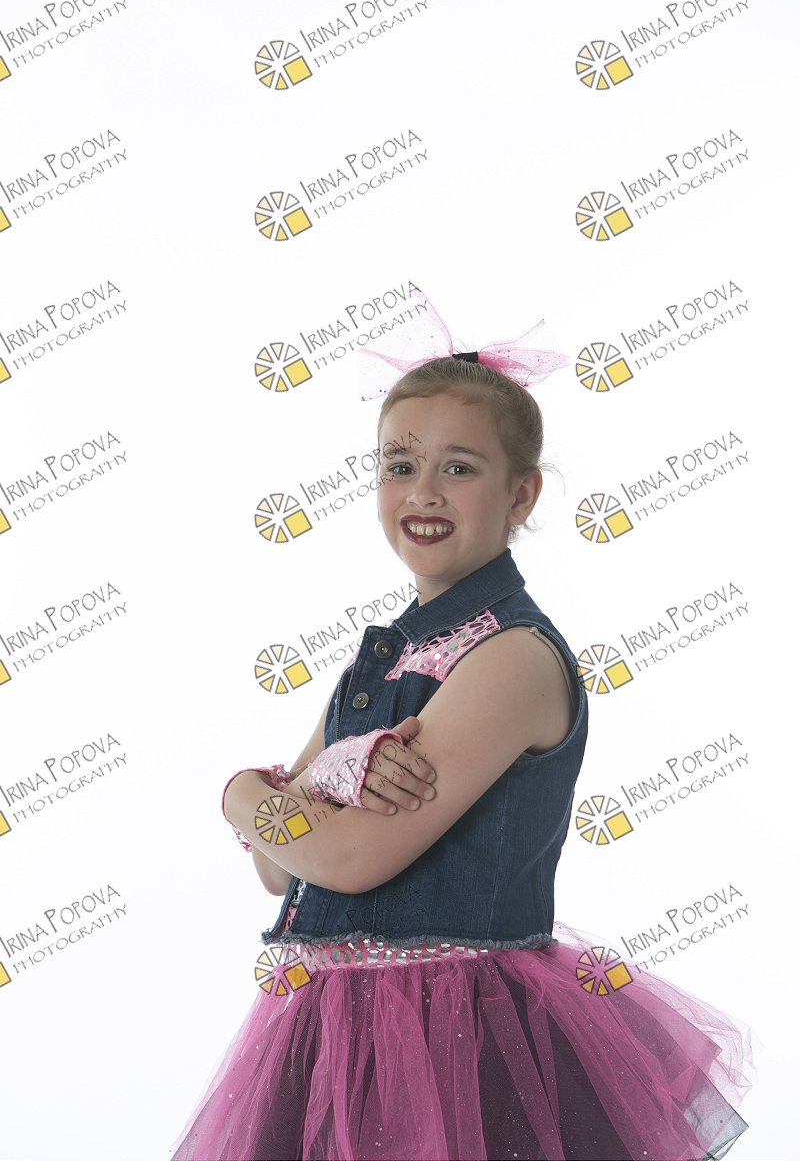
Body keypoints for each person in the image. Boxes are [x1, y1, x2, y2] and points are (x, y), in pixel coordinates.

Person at [170, 296, 755, 1160]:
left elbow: (346, 858)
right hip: (335, 1033)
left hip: (463, 1039)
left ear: (522, 493)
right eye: (400, 464)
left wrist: (258, 796)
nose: (423, 492)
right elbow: (276, 863)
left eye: (459, 468)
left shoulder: (510, 658)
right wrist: (294, 782)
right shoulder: (380, 663)